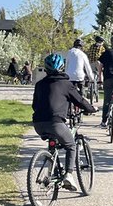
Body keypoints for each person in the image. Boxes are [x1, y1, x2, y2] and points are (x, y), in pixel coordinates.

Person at [31, 53, 96, 191]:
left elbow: (34, 105)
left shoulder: (39, 85)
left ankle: (51, 170)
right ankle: (68, 175)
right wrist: (91, 109)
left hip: (38, 123)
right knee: (71, 145)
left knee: (53, 143)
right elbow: (80, 101)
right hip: (56, 123)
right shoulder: (66, 84)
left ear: (46, 69)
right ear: (62, 68)